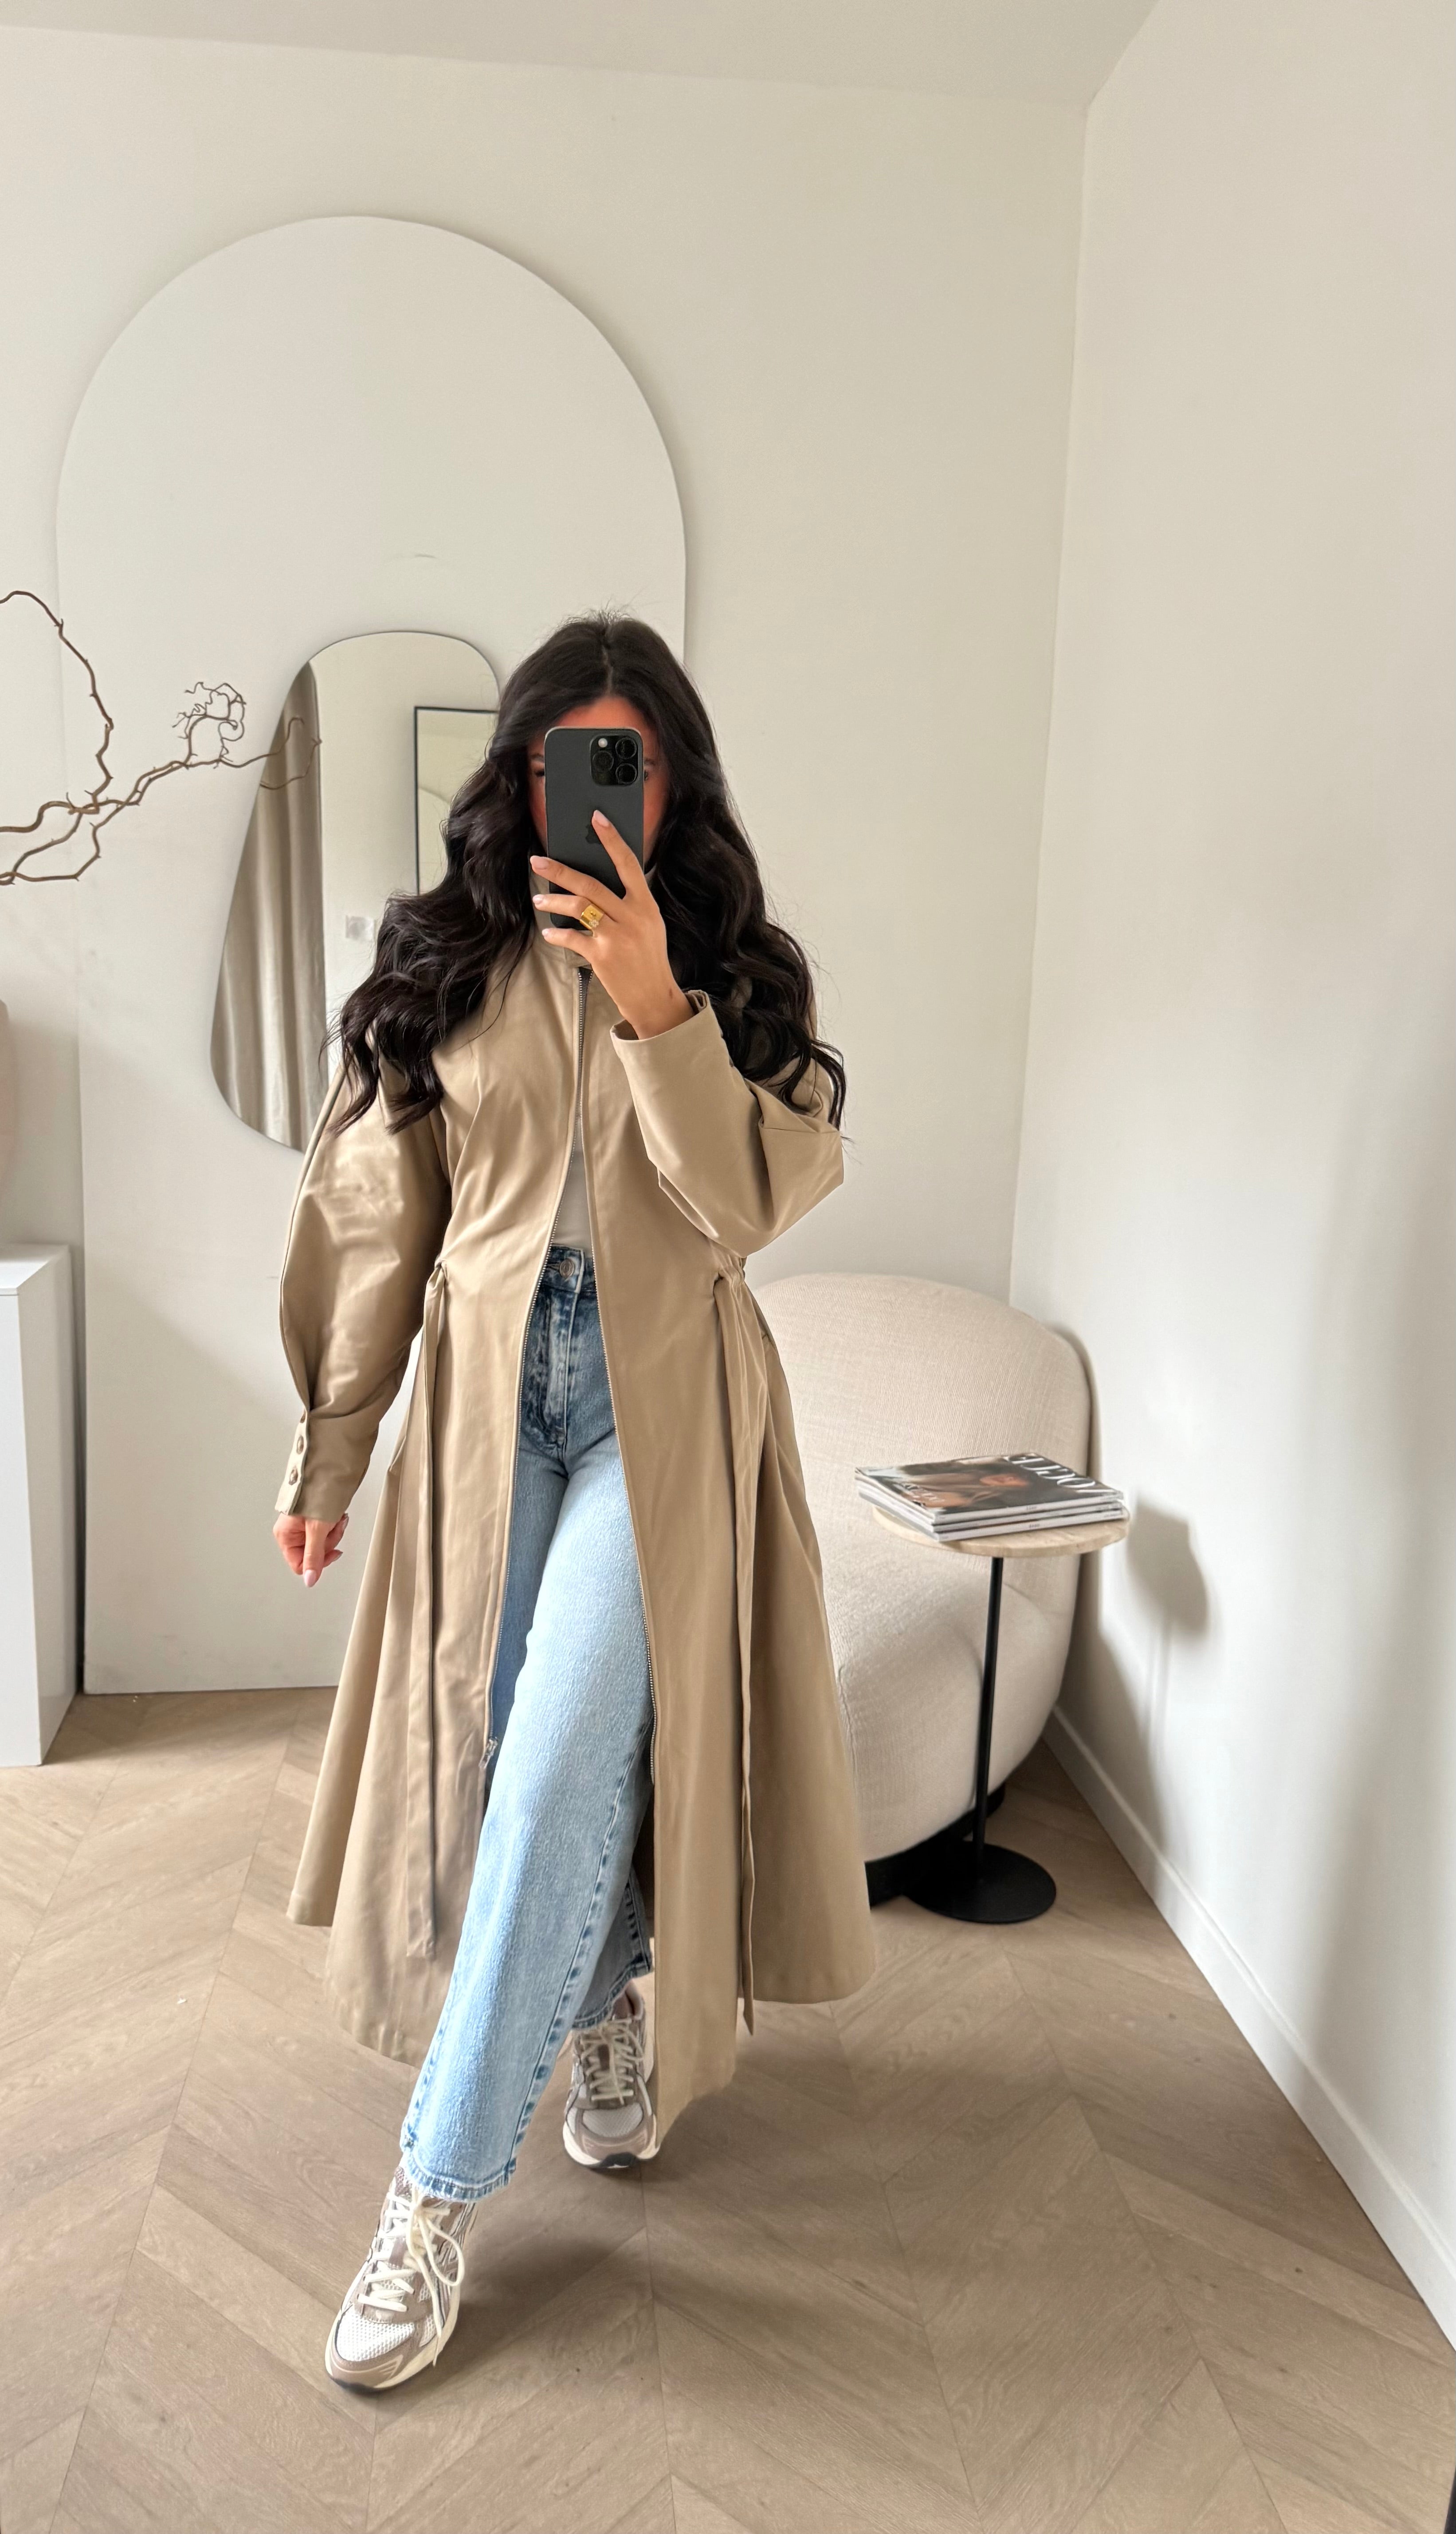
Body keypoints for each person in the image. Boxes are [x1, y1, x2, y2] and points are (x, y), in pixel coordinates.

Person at [271, 614, 874, 2391]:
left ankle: (431, 2196)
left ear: (672, 780)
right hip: (483, 1403)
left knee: (553, 1767)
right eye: (560, 758)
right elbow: (376, 1218)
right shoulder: (443, 957)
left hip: (659, 1412)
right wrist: (331, 1447)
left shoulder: (734, 974)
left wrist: (655, 1005)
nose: (593, 789)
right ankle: (604, 2005)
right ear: (518, 769)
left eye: (629, 760)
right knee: (486, 1754)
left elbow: (741, 1209)